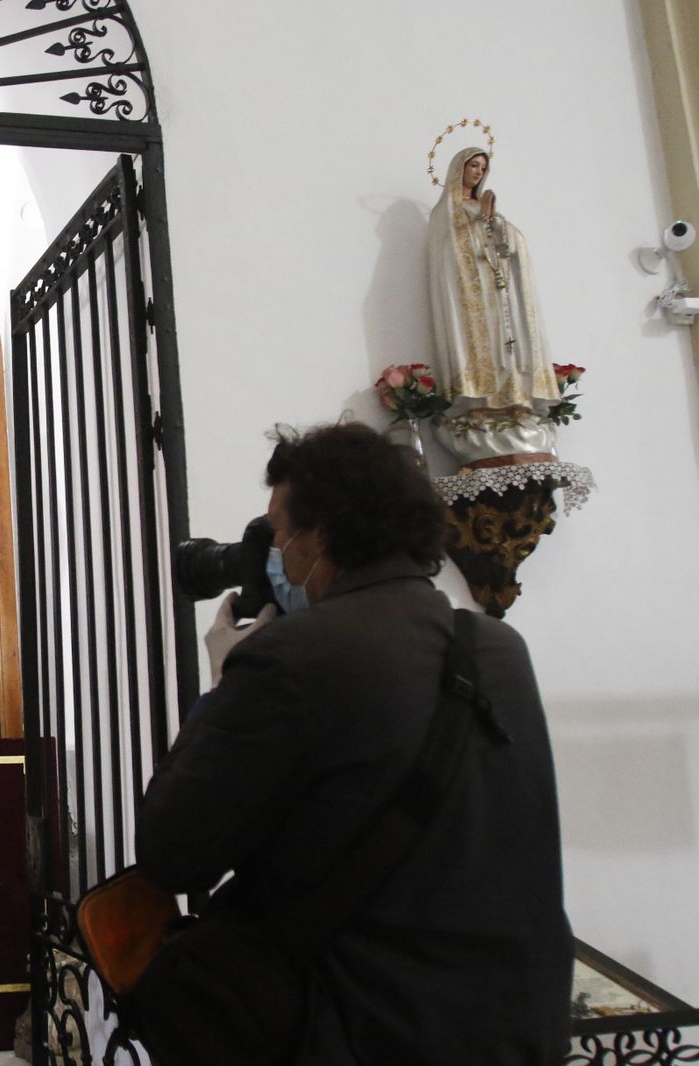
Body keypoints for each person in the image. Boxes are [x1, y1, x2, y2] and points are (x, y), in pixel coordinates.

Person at [136, 422, 572, 1064]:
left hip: (364, 1026)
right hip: (513, 1027)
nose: (277, 552)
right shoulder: (496, 648)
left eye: (281, 532)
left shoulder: (293, 657)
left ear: (321, 532)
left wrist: (224, 687)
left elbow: (173, 851)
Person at [427, 146, 561, 462]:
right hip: (469, 297)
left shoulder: (483, 207)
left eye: (482, 167)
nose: (477, 172)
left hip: (498, 291)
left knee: (508, 347)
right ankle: (479, 405)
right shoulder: (445, 213)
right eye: (473, 165)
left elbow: (513, 244)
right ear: (458, 168)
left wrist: (494, 223)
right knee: (480, 347)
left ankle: (514, 400)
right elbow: (449, 252)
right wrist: (478, 225)